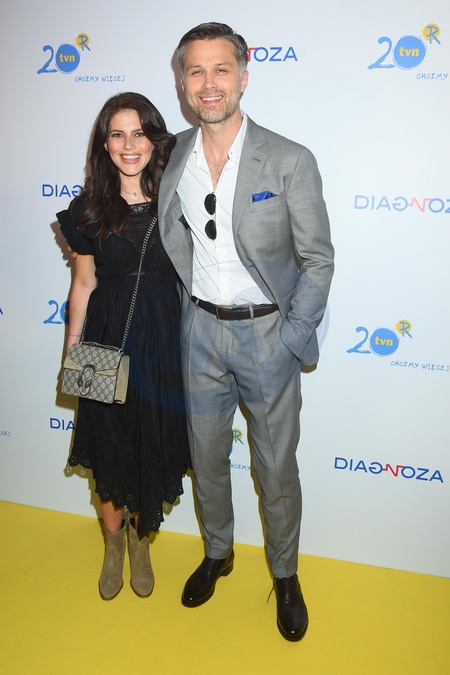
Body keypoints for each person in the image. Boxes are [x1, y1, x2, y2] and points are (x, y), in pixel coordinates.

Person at [157, 23, 334, 641]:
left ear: (243, 76)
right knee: (206, 458)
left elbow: (318, 260)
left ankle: (284, 574)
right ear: (182, 82)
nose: (209, 84)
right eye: (196, 71)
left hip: (268, 338)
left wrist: (290, 338)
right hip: (199, 333)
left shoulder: (289, 159)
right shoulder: (172, 155)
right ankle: (218, 551)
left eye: (221, 69)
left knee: (275, 468)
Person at [57, 92, 190, 601]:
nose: (128, 145)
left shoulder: (178, 198)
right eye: (117, 134)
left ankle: (140, 540)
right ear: (104, 143)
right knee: (109, 444)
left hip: (162, 341)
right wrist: (72, 354)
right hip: (105, 337)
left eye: (139, 133)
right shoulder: (87, 210)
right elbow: (83, 284)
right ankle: (113, 544)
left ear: (155, 139)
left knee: (149, 443)